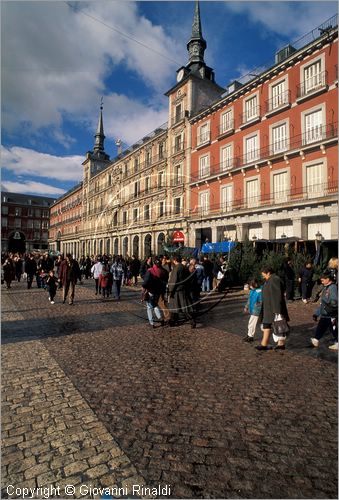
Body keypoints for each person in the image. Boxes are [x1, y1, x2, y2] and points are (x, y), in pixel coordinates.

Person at [256, 266, 289, 351]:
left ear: (268, 273)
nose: (263, 276)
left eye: (264, 274)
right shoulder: (269, 280)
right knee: (266, 325)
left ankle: (281, 344)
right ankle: (264, 344)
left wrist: (277, 310)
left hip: (273, 308)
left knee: (279, 325)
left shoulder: (275, 279)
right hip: (268, 308)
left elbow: (277, 295)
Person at [311, 269, 338, 350]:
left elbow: (334, 301)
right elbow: (323, 303)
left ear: (328, 279)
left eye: (323, 278)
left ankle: (338, 342)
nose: (321, 280)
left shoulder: (332, 288)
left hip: (331, 314)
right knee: (322, 326)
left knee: (334, 329)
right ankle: (316, 339)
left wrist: (329, 305)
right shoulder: (326, 288)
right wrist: (316, 313)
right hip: (325, 313)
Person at [168, 254, 196, 328]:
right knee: (185, 308)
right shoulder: (184, 267)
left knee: (174, 307)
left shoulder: (176, 268)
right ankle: (191, 321)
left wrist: (170, 290)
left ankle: (172, 322)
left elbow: (173, 281)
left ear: (174, 260)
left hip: (176, 291)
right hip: (183, 290)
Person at [142, 258, 166, 328]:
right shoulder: (162, 271)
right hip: (158, 291)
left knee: (149, 307)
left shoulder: (150, 270)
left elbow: (145, 282)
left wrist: (143, 289)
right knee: (155, 305)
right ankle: (160, 318)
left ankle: (151, 323)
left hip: (150, 291)